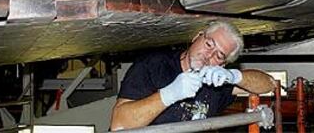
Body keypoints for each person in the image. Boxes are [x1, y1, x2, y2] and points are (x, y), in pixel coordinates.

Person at [110, 21, 276, 131]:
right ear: (197, 37)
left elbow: (269, 84)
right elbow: (120, 125)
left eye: (219, 56)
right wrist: (169, 94)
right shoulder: (153, 65)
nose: (209, 55)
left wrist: (234, 76)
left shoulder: (216, 82)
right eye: (209, 44)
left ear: (223, 64)